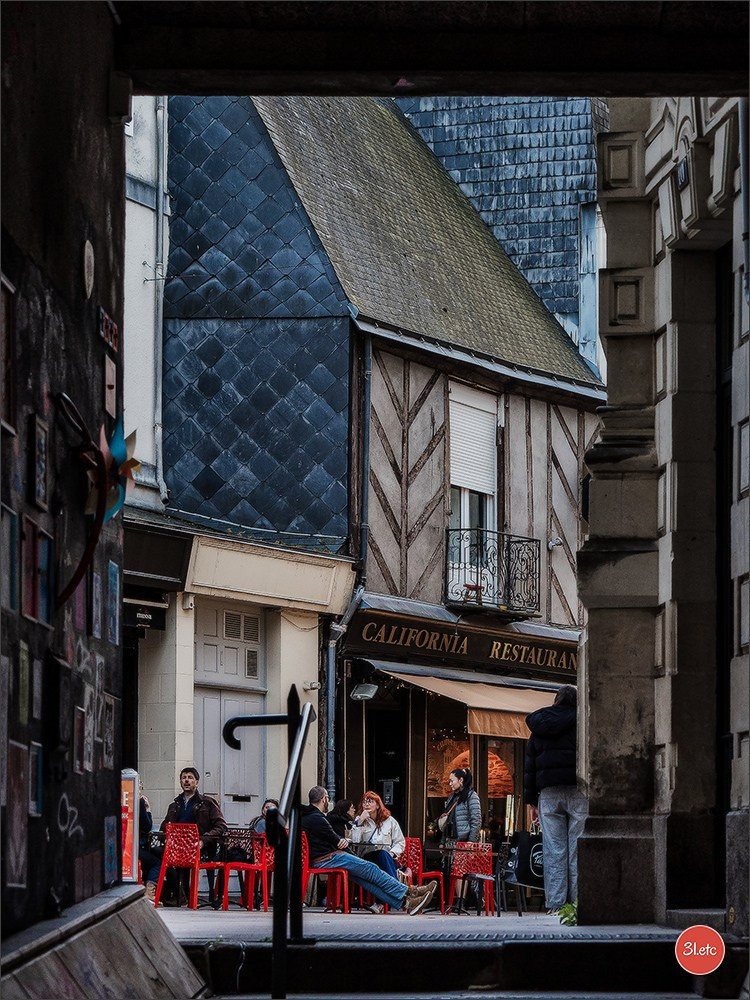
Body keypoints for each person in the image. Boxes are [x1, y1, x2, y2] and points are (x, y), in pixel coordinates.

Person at [301, 786, 437, 915]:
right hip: (330, 858)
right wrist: (358, 823)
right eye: (327, 798)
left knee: (367, 878)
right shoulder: (318, 819)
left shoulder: (307, 817)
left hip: (329, 858)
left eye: (370, 801)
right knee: (372, 869)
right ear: (324, 799)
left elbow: (336, 840)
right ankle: (410, 891)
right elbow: (338, 841)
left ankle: (406, 903)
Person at [524, 684, 586, 914]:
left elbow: (530, 766)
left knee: (553, 850)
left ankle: (556, 904)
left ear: (556, 701)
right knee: (577, 849)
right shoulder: (582, 722)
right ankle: (578, 903)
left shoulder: (539, 726)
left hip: (548, 794)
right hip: (578, 790)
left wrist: (532, 802)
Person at [160, 766, 228, 905]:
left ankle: (184, 894)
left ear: (196, 782)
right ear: (180, 782)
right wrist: (167, 838)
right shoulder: (174, 805)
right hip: (178, 847)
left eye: (190, 778)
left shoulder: (207, 802)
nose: (186, 780)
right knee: (156, 853)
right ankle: (180, 892)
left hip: (200, 846)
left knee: (182, 857)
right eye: (184, 778)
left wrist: (203, 840)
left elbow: (221, 826)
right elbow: (164, 827)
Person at [439, 767, 481, 909]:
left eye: (452, 780)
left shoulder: (471, 796)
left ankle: (462, 901)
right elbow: (448, 820)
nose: (450, 783)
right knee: (453, 871)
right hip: (452, 841)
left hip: (464, 841)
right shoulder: (452, 798)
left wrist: (471, 840)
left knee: (460, 871)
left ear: (461, 780)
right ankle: (455, 900)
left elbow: (476, 820)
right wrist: (443, 842)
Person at [350, 791, 406, 878]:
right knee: (382, 856)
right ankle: (399, 889)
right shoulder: (359, 820)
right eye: (364, 802)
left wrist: (391, 853)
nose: (367, 804)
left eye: (370, 801)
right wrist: (361, 820)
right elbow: (354, 840)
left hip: (387, 858)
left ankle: (395, 889)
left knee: (383, 855)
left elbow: (400, 842)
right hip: (367, 859)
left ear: (377, 805)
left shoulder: (390, 821)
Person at [138, 789, 162, 903]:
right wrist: (147, 810)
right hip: (135, 848)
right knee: (157, 862)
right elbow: (147, 826)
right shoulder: (139, 802)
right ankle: (149, 892)